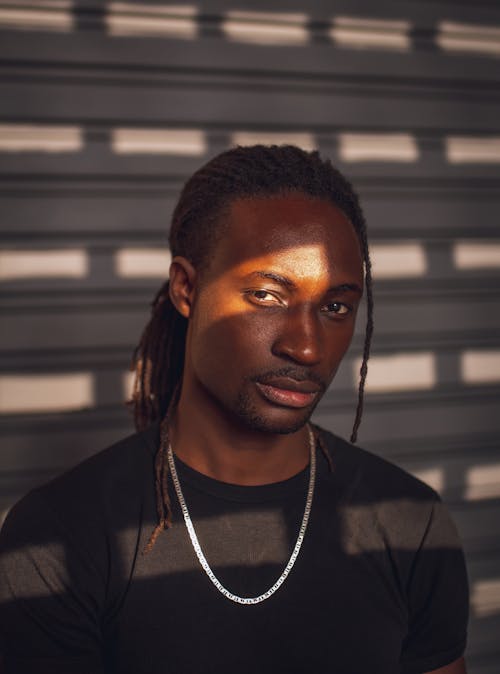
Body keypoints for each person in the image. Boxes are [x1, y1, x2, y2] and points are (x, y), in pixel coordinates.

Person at [0, 145, 468, 674]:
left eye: (335, 307)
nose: (308, 348)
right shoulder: (60, 536)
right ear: (187, 287)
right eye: (268, 296)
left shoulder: (410, 522)